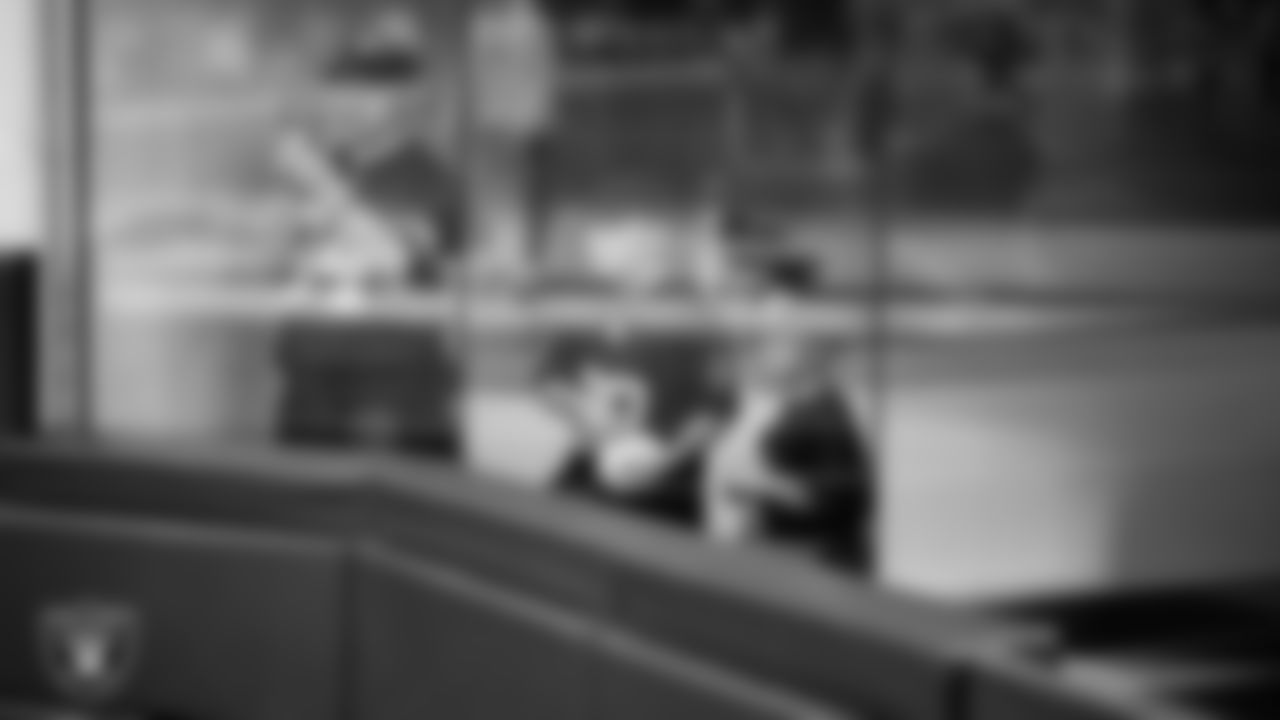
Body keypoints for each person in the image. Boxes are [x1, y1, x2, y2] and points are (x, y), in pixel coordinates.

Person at [273, 44, 466, 459]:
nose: (343, 106)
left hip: (388, 385)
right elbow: (289, 255)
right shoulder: (330, 163)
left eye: (364, 93)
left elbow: (392, 255)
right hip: (311, 377)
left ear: (401, 102)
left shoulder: (427, 177)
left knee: (394, 510)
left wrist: (316, 180)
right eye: (336, 92)